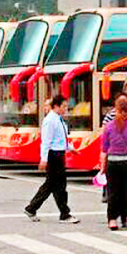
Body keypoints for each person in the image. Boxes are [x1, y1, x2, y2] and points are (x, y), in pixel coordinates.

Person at [24, 94, 80, 223]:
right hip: (53, 155)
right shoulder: (50, 120)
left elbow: (61, 138)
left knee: (51, 185)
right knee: (59, 185)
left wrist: (71, 148)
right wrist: (44, 159)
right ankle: (64, 214)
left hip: (59, 153)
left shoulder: (59, 119)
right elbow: (46, 141)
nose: (66, 109)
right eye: (64, 106)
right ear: (56, 106)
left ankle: (32, 208)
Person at [99, 95, 127, 230]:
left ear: (115, 109)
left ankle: (112, 220)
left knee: (113, 192)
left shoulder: (109, 126)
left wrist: (102, 167)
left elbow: (104, 148)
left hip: (112, 162)